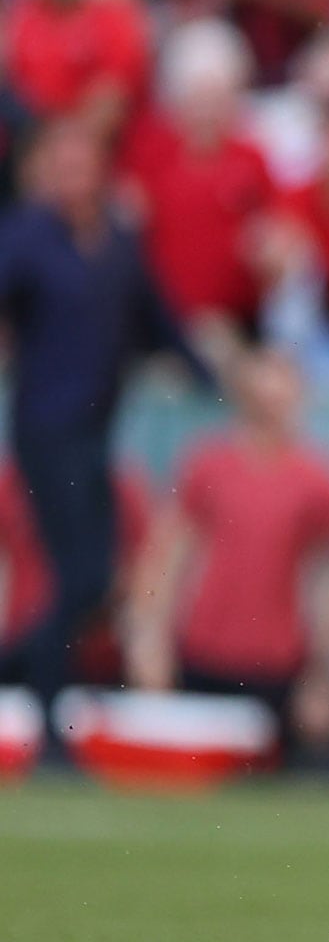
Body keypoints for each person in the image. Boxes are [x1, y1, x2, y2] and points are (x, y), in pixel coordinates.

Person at [0, 124, 214, 734]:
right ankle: (45, 707)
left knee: (95, 580)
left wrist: (210, 380)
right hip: (45, 429)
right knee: (78, 573)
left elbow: (158, 317)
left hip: (96, 433)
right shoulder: (28, 238)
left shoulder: (119, 244)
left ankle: (24, 671)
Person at [123, 349, 329, 758]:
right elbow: (167, 556)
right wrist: (148, 639)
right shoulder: (207, 464)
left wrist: (326, 680)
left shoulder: (320, 480)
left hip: (278, 663)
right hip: (202, 653)